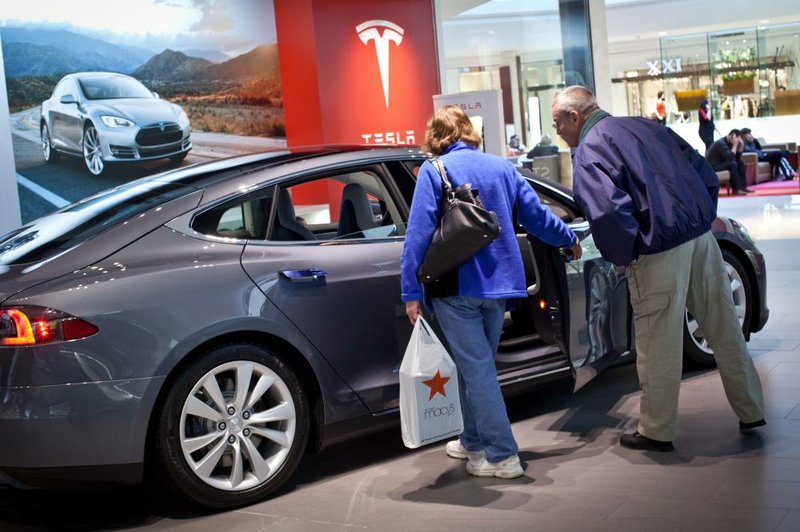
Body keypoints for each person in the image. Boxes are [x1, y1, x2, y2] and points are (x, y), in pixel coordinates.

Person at [551, 86, 765, 452]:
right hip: (700, 240)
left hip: (657, 251)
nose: (557, 131)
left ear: (576, 116)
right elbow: (702, 169)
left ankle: (656, 430)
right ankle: (752, 408)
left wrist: (626, 255)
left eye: (557, 123)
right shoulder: (646, 126)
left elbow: (606, 211)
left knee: (657, 340)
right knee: (725, 326)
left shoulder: (590, 150)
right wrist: (699, 216)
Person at [401, 105, 581, 477]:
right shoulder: (502, 167)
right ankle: (471, 441)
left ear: (436, 136)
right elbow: (537, 217)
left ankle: (502, 455)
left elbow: (417, 236)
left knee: (478, 369)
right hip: (500, 288)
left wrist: (410, 292)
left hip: (456, 288)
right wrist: (568, 238)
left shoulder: (434, 171)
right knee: (475, 367)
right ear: (468, 131)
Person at [706, 129, 752, 195]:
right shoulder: (721, 143)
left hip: (720, 164)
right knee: (732, 164)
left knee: (740, 162)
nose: (737, 142)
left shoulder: (729, 142)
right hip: (712, 167)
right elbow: (730, 157)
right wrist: (735, 145)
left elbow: (736, 158)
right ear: (732, 136)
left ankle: (743, 187)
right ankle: (736, 189)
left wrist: (741, 145)